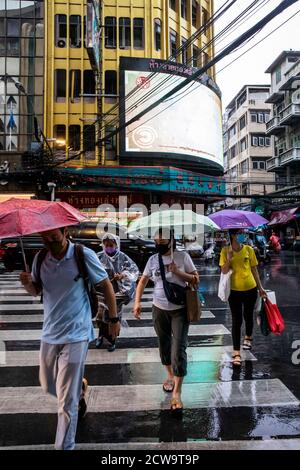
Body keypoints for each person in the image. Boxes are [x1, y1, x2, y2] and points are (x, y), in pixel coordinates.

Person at [20, 227, 119, 450]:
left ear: (65, 231)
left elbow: (105, 285)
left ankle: (65, 446)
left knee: (66, 402)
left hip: (77, 332)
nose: (48, 240)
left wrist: (113, 320)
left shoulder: (82, 255)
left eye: (53, 235)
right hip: (50, 332)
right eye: (43, 236)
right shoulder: (39, 258)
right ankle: (80, 388)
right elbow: (37, 290)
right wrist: (27, 283)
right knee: (47, 386)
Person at [133, 229, 199, 412]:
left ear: (171, 240)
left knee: (179, 349)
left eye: (162, 239)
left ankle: (177, 392)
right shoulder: (153, 260)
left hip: (180, 310)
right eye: (156, 240)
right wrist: (137, 302)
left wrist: (178, 272)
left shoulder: (183, 256)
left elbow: (196, 280)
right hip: (159, 309)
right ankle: (169, 375)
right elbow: (143, 281)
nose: (159, 243)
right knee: (164, 345)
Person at [219, 229, 267, 367]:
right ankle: (236, 353)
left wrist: (260, 288)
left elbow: (254, 270)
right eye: (241, 233)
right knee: (236, 320)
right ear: (233, 235)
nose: (244, 235)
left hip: (250, 289)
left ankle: (248, 337)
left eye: (244, 233)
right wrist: (229, 259)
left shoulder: (249, 250)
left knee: (248, 315)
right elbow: (223, 271)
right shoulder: (225, 251)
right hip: (233, 292)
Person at [97, 232, 139, 351]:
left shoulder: (123, 257)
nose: (108, 247)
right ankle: (101, 336)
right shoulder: (99, 256)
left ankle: (112, 340)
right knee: (100, 316)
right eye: (106, 245)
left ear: (116, 245)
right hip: (102, 291)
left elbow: (133, 271)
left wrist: (122, 275)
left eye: (111, 245)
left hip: (117, 292)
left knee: (113, 317)